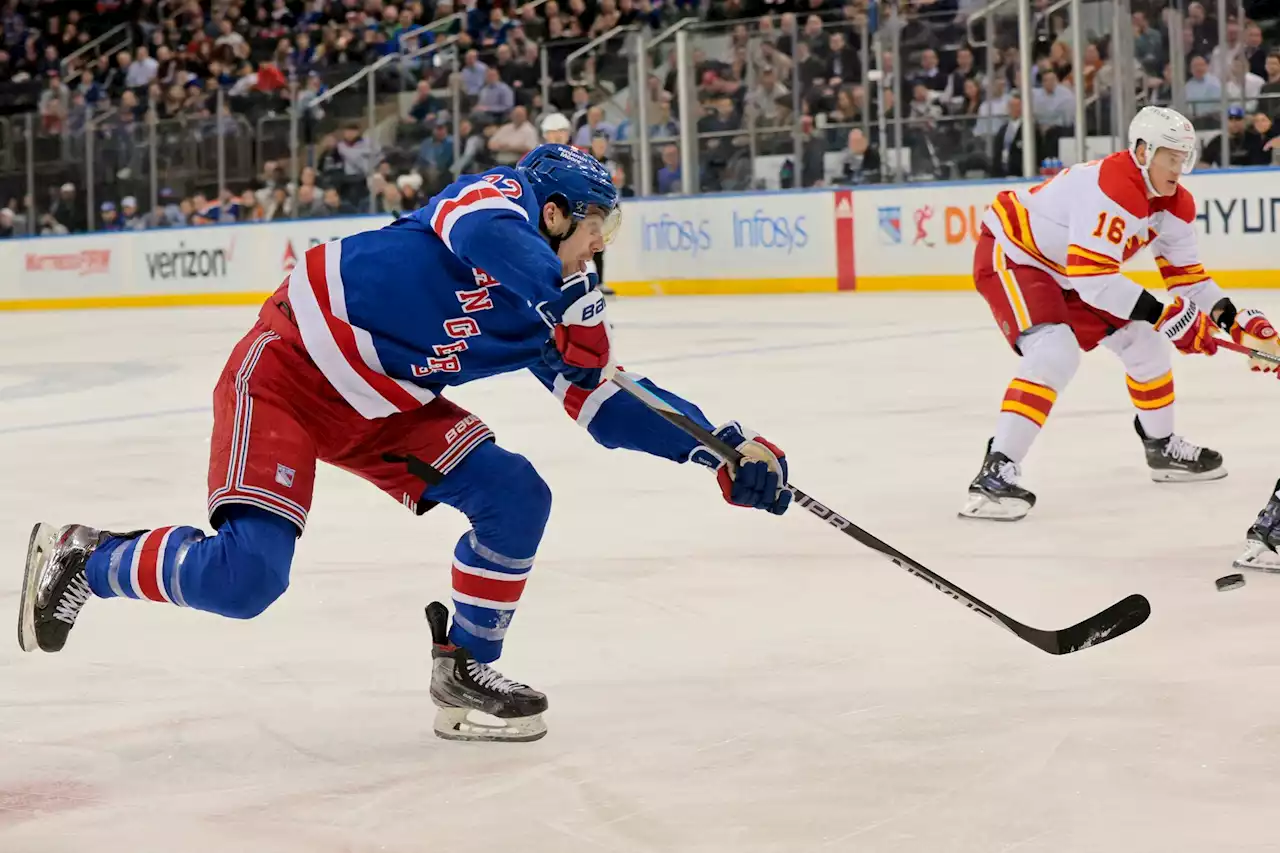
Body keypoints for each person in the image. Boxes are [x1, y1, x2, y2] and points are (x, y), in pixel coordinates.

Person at [18, 144, 792, 745]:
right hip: (289, 370)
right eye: (596, 229)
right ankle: (89, 556)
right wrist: (566, 301)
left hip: (384, 408)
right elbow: (490, 237)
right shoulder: (501, 200)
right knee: (247, 578)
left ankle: (462, 668)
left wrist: (723, 450)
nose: (599, 248)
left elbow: (605, 404)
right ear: (556, 212)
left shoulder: (546, 306)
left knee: (516, 496)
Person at [959, 106, 1277, 521]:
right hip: (1016, 255)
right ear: (1143, 151)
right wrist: (1167, 316)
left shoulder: (1174, 204)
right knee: (1055, 351)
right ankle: (995, 471)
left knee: (1145, 345)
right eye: (1170, 156)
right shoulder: (1111, 185)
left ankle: (1161, 447)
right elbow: (1094, 279)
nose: (1178, 168)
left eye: (1184, 158)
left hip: (1072, 273)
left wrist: (1236, 321)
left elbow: (1189, 281)